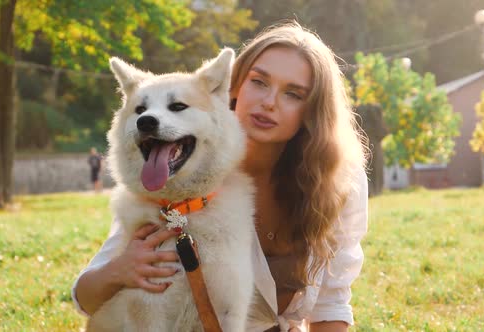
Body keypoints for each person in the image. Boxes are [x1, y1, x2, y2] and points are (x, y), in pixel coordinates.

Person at [73, 22, 368, 332]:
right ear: (233, 85)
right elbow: (86, 299)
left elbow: (330, 306)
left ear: (312, 111)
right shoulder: (184, 179)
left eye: (293, 94)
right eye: (259, 82)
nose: (269, 102)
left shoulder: (337, 181)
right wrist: (119, 271)